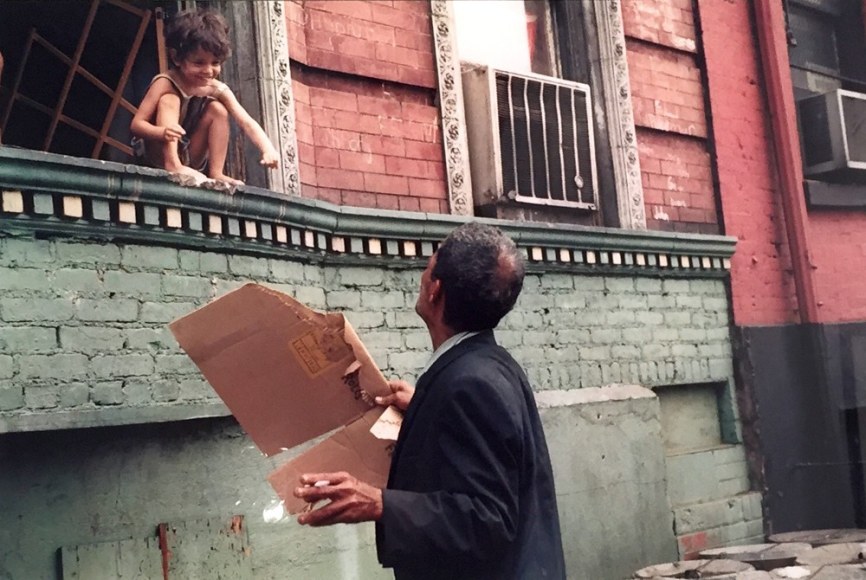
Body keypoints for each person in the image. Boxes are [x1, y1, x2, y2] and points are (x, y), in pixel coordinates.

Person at [294, 222, 566, 580]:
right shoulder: (489, 366)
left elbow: (489, 519)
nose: (424, 274)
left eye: (429, 265)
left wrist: (380, 503)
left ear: (435, 290)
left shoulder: (470, 385)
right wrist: (425, 407)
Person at [130, 9, 278, 187]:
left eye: (215, 63)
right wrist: (162, 132)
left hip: (191, 155)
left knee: (218, 109)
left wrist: (267, 149)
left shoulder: (216, 88)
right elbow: (137, 125)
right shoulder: (165, 82)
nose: (208, 71)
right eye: (199, 63)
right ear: (177, 58)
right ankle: (173, 164)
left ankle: (216, 172)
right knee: (170, 100)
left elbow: (246, 121)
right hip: (157, 153)